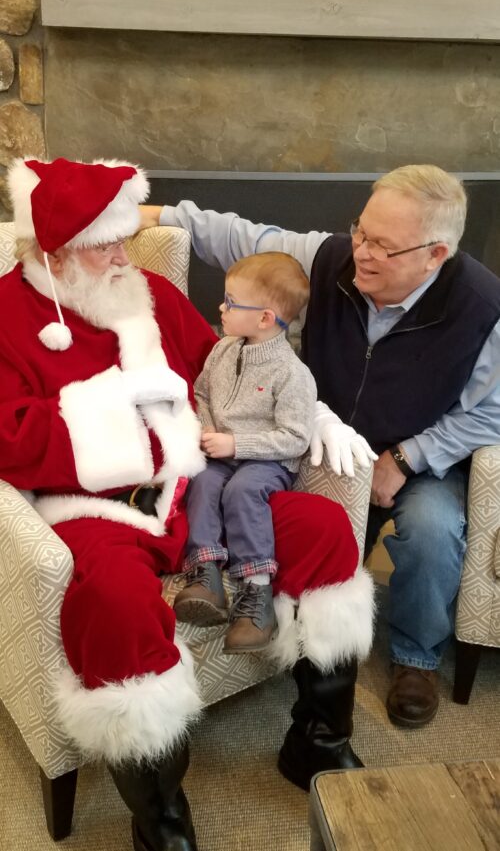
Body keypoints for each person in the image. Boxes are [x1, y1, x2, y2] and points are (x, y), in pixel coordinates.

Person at [0, 157, 375, 851]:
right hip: (94, 510)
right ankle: (161, 817)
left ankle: (317, 741)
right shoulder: (6, 315)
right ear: (56, 252)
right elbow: (9, 436)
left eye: (124, 239)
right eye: (106, 245)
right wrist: (121, 412)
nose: (125, 256)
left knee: (323, 525)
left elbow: (225, 365)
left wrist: (312, 413)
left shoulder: (149, 295)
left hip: (198, 487)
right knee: (115, 601)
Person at [141, 163, 500, 729]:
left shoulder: (482, 308)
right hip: (316, 441)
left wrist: (407, 458)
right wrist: (158, 213)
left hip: (415, 453)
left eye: (383, 246)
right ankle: (281, 624)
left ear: (435, 254)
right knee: (260, 503)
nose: (362, 252)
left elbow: (490, 414)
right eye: (361, 231)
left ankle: (416, 657)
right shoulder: (332, 259)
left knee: (432, 530)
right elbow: (245, 239)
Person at [174, 252, 317, 654]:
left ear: (265, 319)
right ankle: (206, 573)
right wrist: (206, 427)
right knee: (203, 480)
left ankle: (256, 593)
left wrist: (237, 443)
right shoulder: (222, 351)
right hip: (221, 454)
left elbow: (295, 438)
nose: (221, 308)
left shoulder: (292, 374)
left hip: (267, 462)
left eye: (231, 302)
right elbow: (202, 392)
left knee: (242, 491)